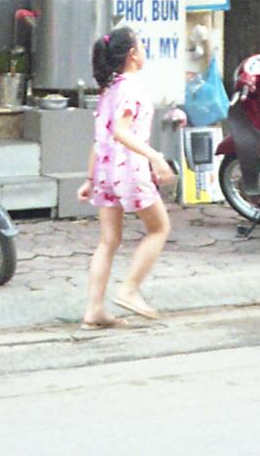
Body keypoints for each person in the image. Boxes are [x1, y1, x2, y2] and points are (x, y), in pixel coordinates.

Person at [78, 26, 175, 329]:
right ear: (132, 55)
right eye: (142, 47)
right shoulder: (132, 88)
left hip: (106, 173)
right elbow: (120, 132)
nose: (144, 52)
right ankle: (130, 289)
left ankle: (94, 310)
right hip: (129, 171)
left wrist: (90, 179)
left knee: (108, 241)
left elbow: (100, 139)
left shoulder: (109, 90)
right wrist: (155, 157)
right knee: (159, 228)